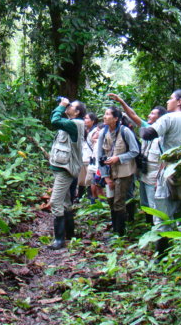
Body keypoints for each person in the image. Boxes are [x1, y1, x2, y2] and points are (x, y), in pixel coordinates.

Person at [140, 89, 181, 255]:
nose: (167, 101)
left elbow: (148, 134)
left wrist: (142, 127)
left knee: (162, 214)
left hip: (170, 172)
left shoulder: (169, 118)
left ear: (179, 102)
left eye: (171, 98)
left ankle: (162, 255)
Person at [108, 93, 167, 224]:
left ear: (160, 118)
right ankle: (149, 230)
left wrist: (160, 178)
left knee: (154, 204)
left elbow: (165, 158)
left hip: (155, 173)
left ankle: (159, 234)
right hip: (144, 172)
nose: (149, 115)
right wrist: (121, 101)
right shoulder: (148, 128)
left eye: (153, 114)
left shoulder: (163, 134)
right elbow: (133, 116)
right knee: (145, 203)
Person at [48, 98, 86, 250]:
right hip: (62, 168)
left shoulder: (75, 124)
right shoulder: (70, 123)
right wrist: (61, 106)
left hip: (65, 170)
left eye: (71, 106)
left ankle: (59, 240)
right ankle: (70, 234)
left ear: (77, 112)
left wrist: (61, 105)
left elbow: (54, 121)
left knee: (55, 202)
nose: (67, 107)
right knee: (65, 202)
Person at [97, 106, 139, 236]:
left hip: (124, 172)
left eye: (108, 114)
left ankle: (119, 233)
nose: (105, 116)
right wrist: (105, 176)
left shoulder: (125, 131)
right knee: (110, 201)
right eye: (104, 114)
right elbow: (100, 156)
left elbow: (135, 151)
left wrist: (118, 158)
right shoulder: (103, 133)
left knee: (118, 202)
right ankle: (115, 229)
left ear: (116, 118)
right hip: (109, 173)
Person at [77, 112, 98, 202]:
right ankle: (80, 197)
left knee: (90, 180)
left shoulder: (95, 131)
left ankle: (91, 198)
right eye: (84, 118)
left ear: (93, 121)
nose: (85, 120)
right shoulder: (84, 130)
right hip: (83, 158)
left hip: (90, 159)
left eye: (87, 118)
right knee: (81, 180)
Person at [85, 122, 105, 200]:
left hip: (98, 167)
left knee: (98, 186)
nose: (96, 132)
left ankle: (101, 203)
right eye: (96, 130)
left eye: (98, 130)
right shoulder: (97, 141)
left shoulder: (103, 142)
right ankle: (94, 200)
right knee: (94, 183)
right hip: (94, 165)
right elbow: (92, 138)